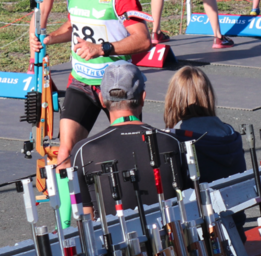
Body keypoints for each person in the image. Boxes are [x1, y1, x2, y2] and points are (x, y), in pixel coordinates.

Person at [39, 0, 151, 163]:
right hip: (81, 82)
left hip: (117, 86)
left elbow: (142, 40)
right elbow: (73, 26)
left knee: (129, 153)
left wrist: (102, 49)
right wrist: (49, 38)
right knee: (64, 154)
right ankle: (71, 199)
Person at [69, 62, 191, 213]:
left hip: (114, 235)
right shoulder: (172, 142)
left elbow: (85, 218)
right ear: (143, 98)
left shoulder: (83, 151)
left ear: (101, 99)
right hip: (170, 231)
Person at [163, 66, 247, 234]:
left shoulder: (174, 140)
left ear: (174, 99)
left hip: (197, 237)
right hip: (235, 228)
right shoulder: (230, 134)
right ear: (208, 96)